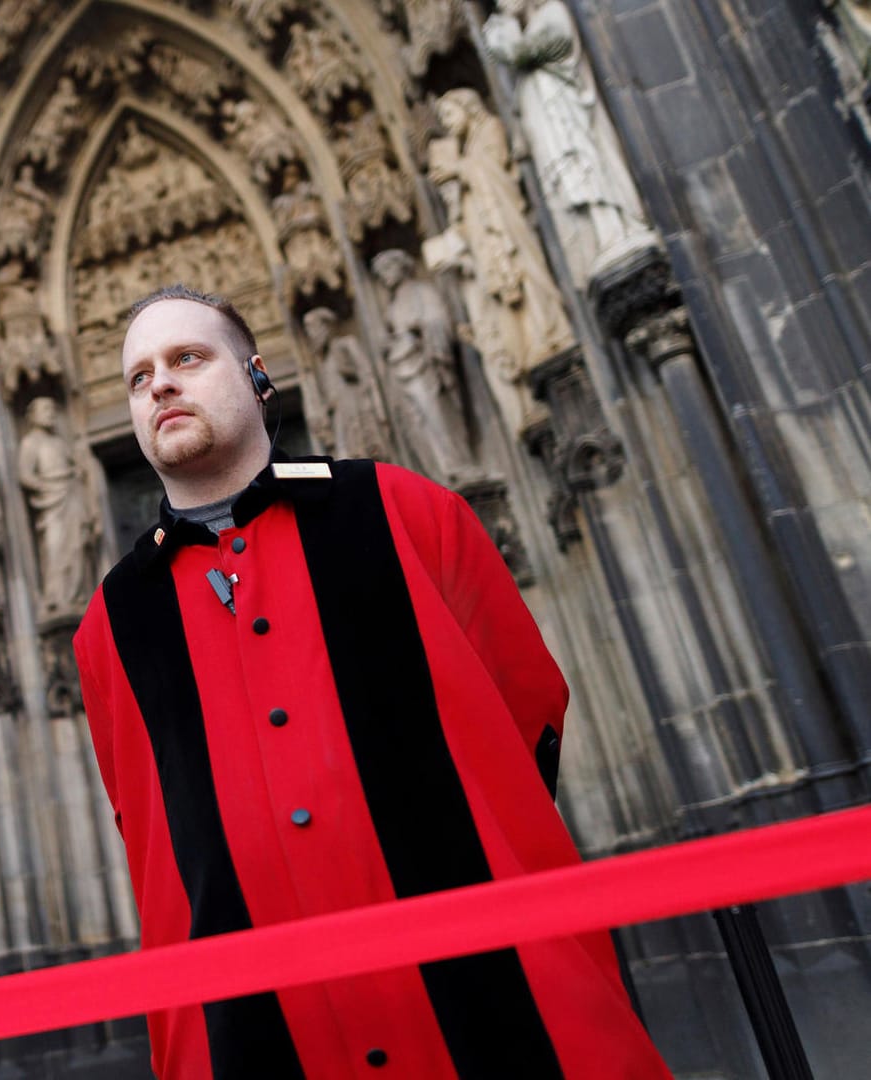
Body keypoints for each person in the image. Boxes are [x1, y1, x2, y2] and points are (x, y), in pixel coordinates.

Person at [72, 284, 668, 1079]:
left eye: (188, 357)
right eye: (139, 378)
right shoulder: (110, 622)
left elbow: (528, 708)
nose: (162, 385)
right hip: (252, 1035)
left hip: (498, 1002)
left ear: (258, 377)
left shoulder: (404, 512)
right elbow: (143, 820)